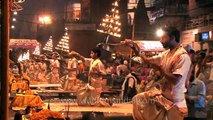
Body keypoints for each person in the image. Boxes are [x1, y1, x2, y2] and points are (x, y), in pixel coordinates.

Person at [132, 26, 192, 120]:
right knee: (138, 99)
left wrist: (161, 69)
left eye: (163, 37)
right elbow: (147, 61)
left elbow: (175, 80)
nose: (160, 40)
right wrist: (134, 47)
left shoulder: (182, 56)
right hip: (163, 98)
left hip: (175, 103)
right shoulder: (166, 54)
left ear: (172, 38)